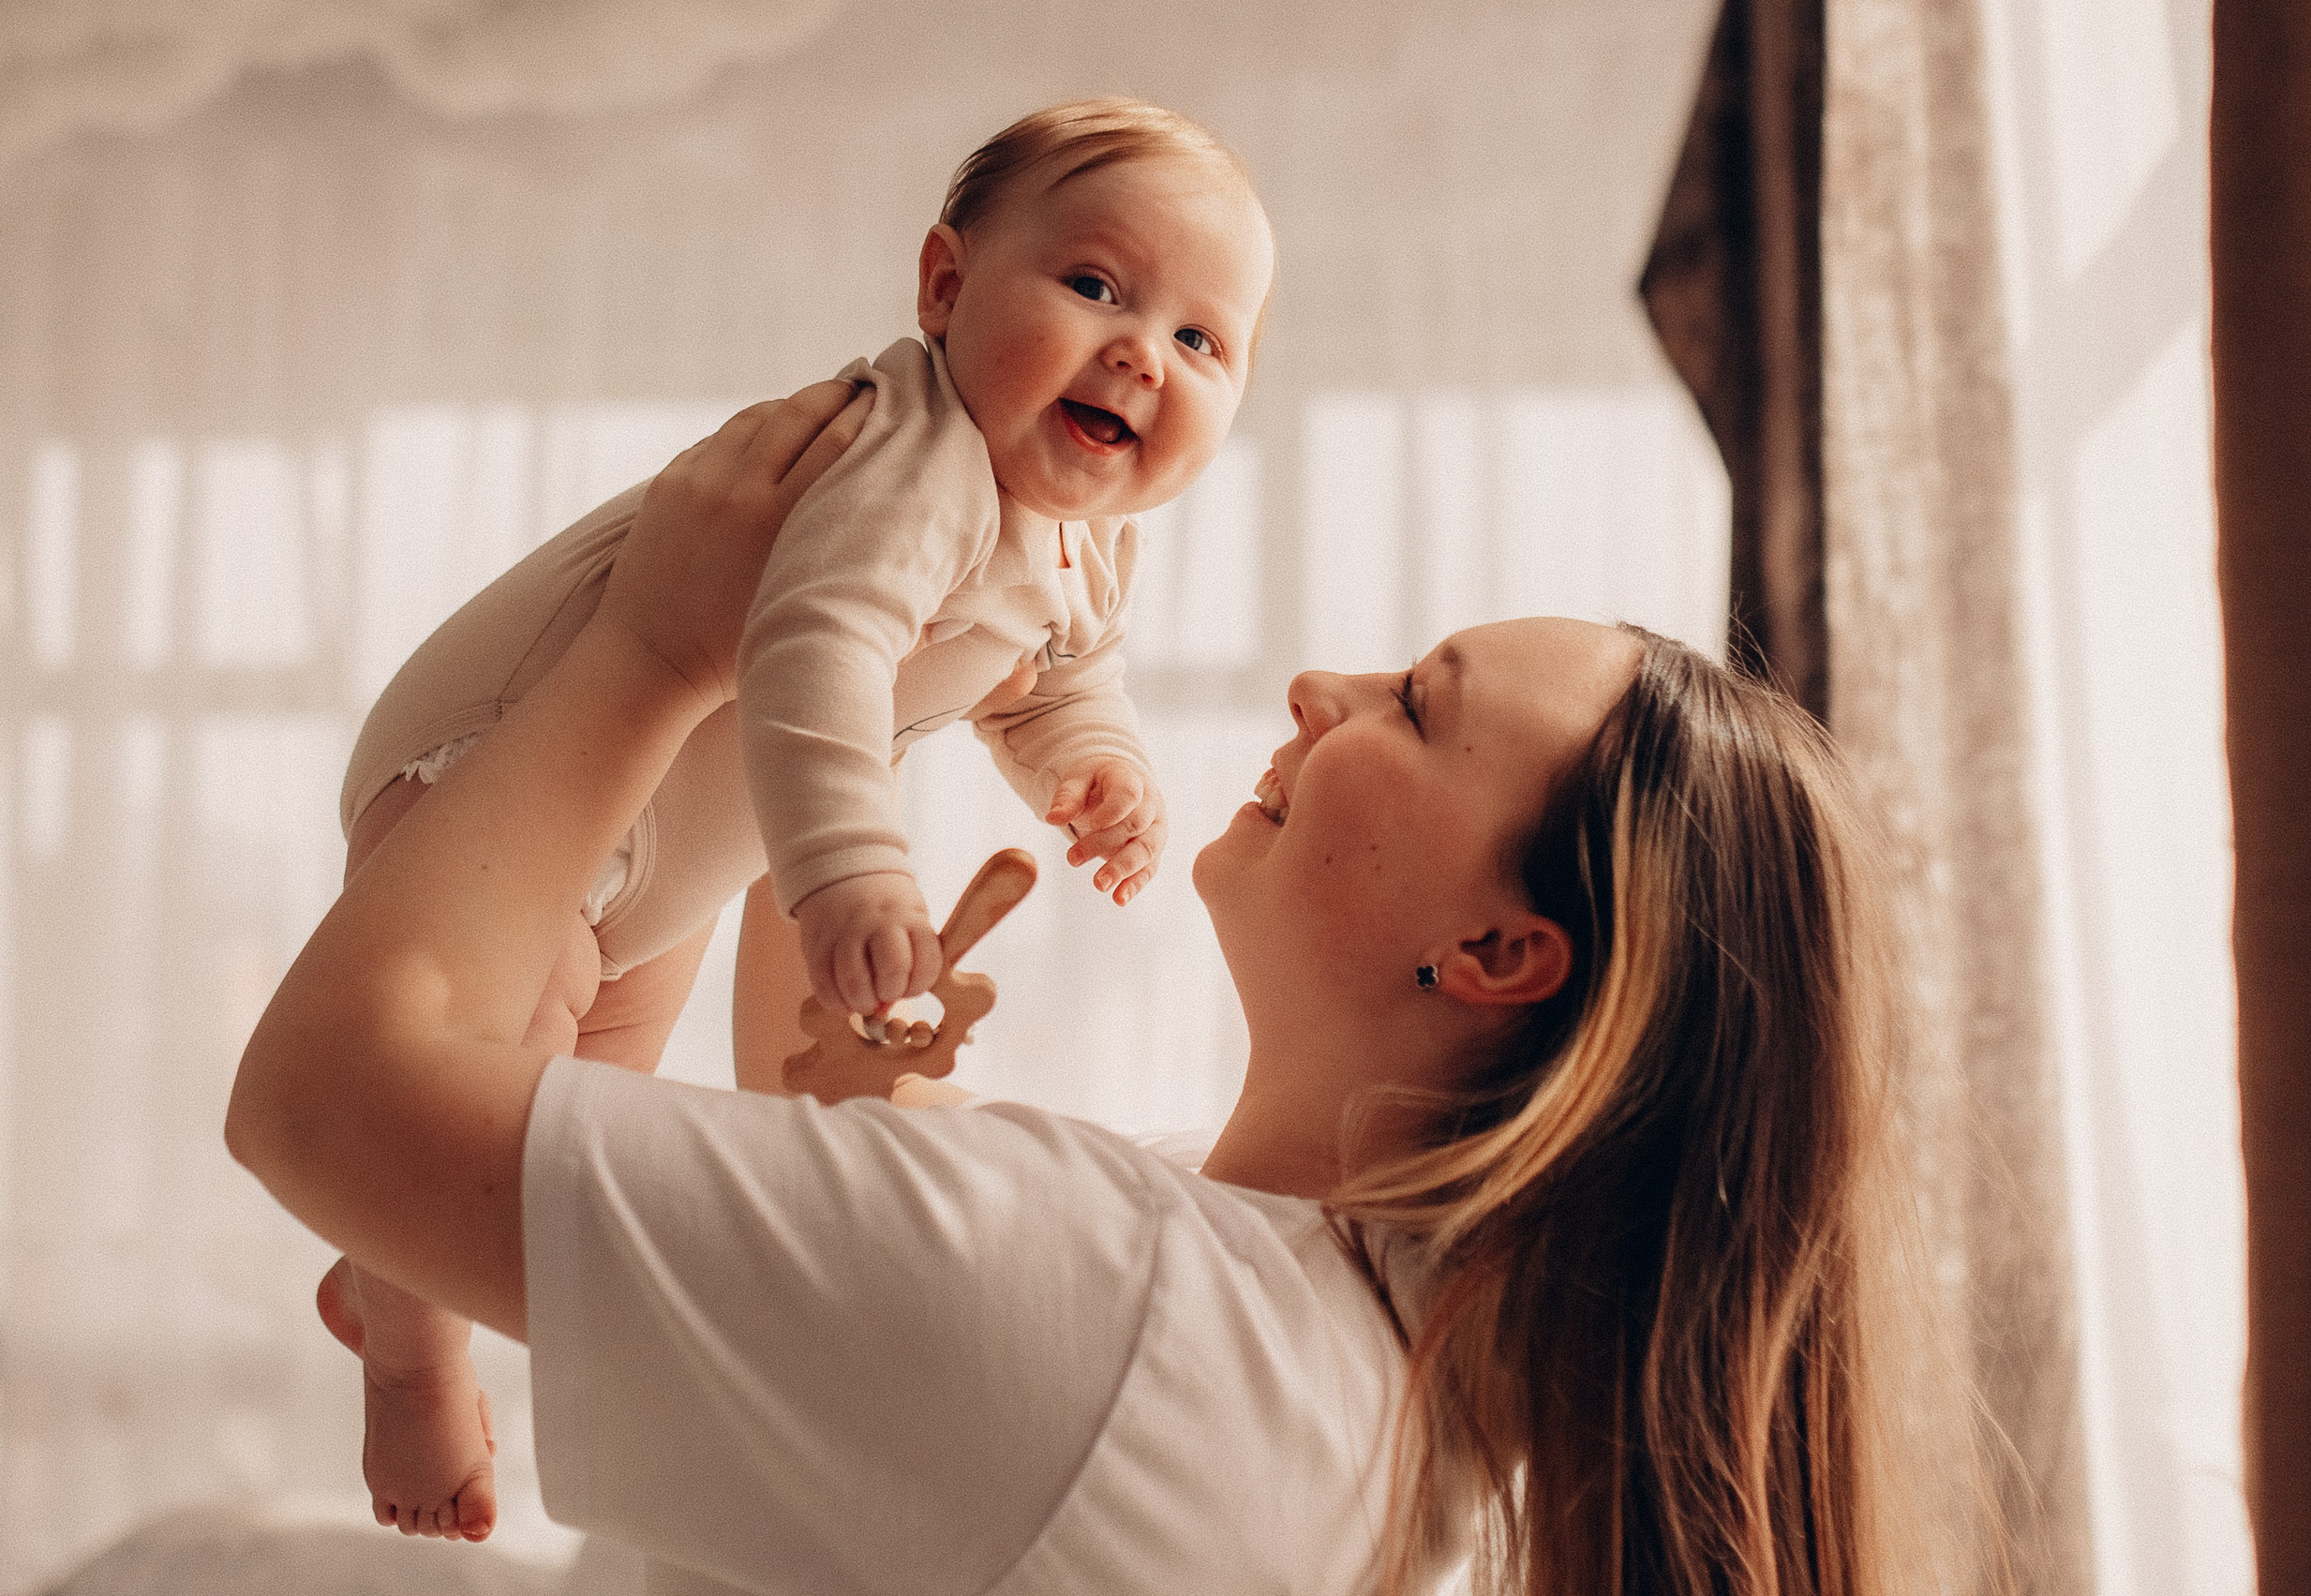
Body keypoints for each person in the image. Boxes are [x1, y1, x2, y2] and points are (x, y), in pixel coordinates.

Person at [231, 384, 1975, 1594]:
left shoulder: (1105, 1306)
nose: (1319, 683)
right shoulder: (1350, 1381)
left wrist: (654, 649)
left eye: (1420, 706)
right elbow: (824, 1133)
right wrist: (848, 669)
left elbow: (324, 1102)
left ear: (1504, 956)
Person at [320, 97, 1277, 1538]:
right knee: (474, 1113)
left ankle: (386, 1265)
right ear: (945, 286)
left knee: (572, 1139)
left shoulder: (1085, 544)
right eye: (1094, 285)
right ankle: (410, 1352)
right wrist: (848, 878)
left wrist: (1101, 768)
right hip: (496, 774)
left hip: (660, 860)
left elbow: (1055, 683)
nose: (1145, 352)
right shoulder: (915, 459)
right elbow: (816, 650)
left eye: (1205, 341)